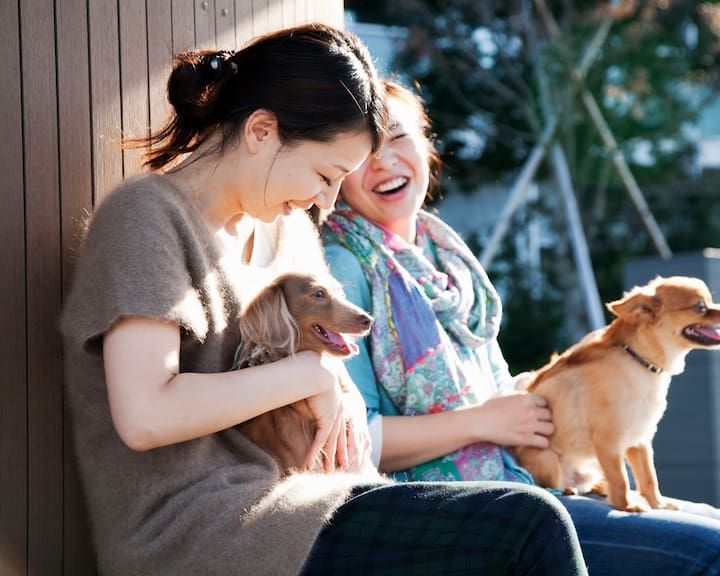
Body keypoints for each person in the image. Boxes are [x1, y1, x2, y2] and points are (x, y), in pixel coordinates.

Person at [61, 24, 588, 576]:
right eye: (324, 173)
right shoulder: (147, 217)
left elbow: (342, 404)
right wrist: (308, 377)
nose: (328, 199)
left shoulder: (287, 235)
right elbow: (145, 414)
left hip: (317, 499)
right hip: (199, 530)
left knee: (523, 523)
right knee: (526, 524)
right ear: (262, 131)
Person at [322, 77, 720, 575]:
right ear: (335, 169)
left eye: (398, 137)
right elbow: (352, 439)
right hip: (450, 511)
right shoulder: (343, 267)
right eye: (364, 150)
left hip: (522, 473)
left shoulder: (444, 255)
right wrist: (480, 422)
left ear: (426, 145)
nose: (385, 161)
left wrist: (582, 376)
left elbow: (497, 394)